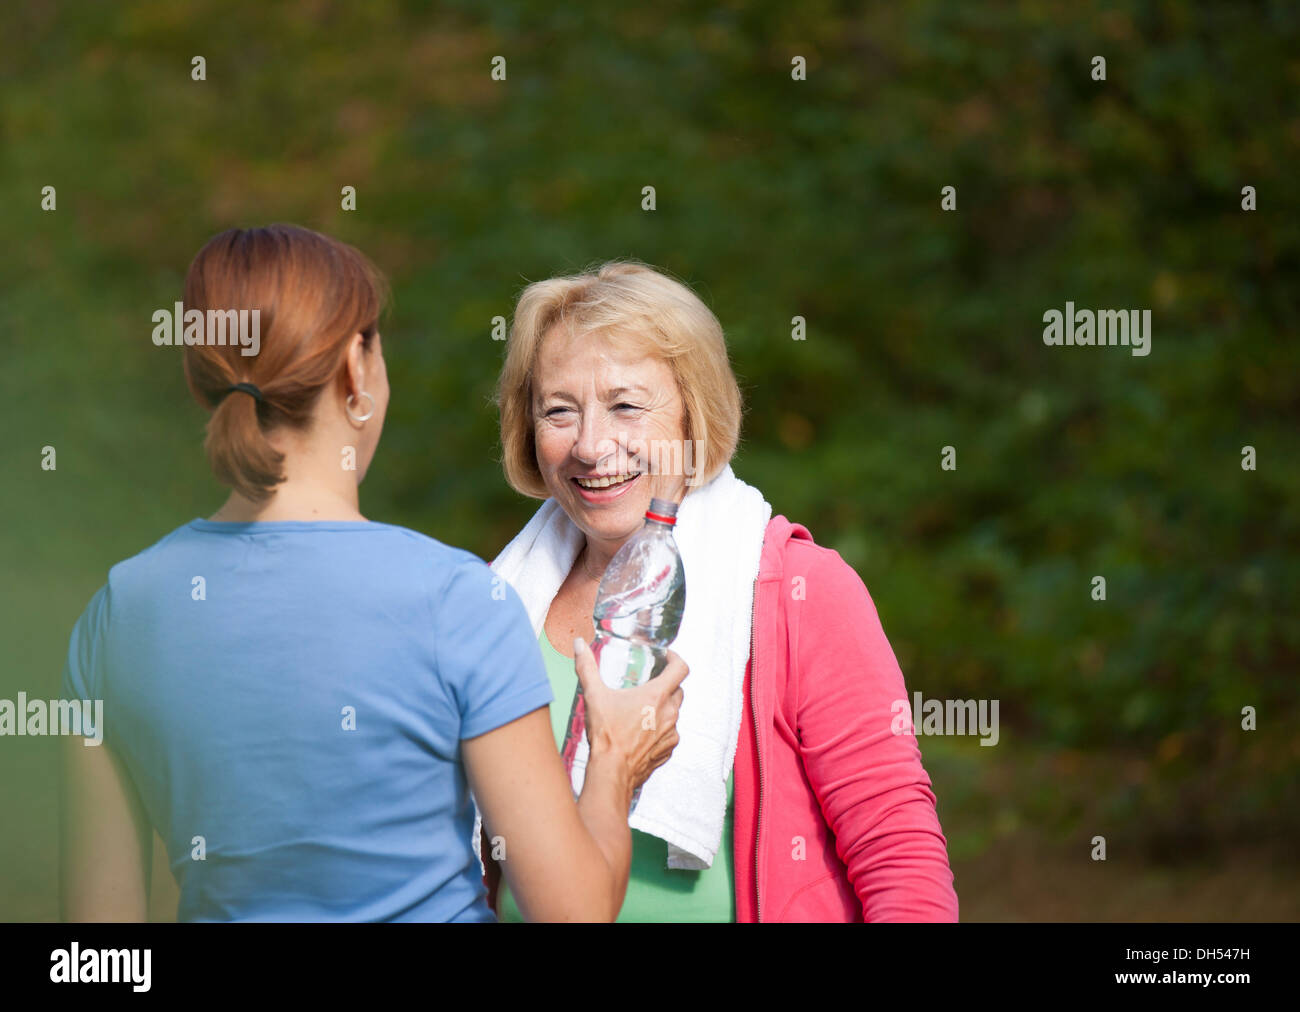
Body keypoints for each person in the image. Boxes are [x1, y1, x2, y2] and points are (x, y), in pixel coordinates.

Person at [59, 225, 687, 922]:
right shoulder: (455, 601)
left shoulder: (117, 613)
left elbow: (97, 942)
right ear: (358, 370)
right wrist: (614, 757)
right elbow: (572, 913)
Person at [482, 261, 960, 921]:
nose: (591, 446)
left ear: (692, 414)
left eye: (626, 404)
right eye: (559, 411)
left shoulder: (798, 590)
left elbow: (898, 855)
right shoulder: (493, 603)